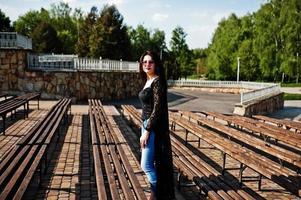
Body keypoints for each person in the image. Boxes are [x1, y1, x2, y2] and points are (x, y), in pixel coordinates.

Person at [138, 50, 175, 200]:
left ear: (156, 64)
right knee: (148, 163)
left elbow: (158, 108)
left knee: (146, 165)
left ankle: (157, 193)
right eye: (144, 62)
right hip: (145, 125)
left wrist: (147, 130)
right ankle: (155, 194)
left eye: (150, 62)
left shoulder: (157, 81)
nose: (147, 64)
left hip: (151, 127)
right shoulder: (148, 80)